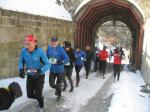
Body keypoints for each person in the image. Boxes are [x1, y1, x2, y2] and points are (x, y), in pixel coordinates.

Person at [18, 34, 50, 112]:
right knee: (29, 95)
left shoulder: (40, 52)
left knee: (38, 94)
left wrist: (40, 71)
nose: (27, 46)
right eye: (26, 44)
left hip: (39, 75)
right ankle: (40, 98)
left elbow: (48, 64)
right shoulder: (24, 51)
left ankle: (41, 106)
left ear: (34, 43)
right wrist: (21, 70)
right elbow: (21, 61)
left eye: (29, 44)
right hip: (30, 74)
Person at [47, 37, 69, 101]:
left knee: (58, 83)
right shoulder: (49, 48)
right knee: (51, 84)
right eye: (52, 41)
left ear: (57, 42)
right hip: (52, 70)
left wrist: (61, 61)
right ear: (51, 41)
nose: (54, 42)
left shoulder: (61, 50)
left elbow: (67, 59)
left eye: (55, 41)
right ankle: (58, 89)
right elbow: (46, 57)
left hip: (60, 70)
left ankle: (59, 95)